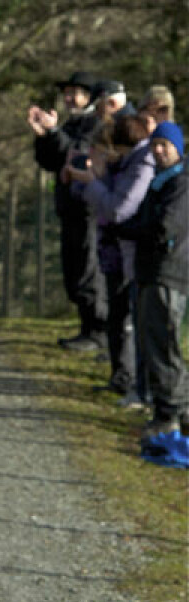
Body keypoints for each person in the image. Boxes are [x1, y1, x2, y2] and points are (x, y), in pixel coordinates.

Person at [62, 114, 153, 397]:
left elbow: (116, 208)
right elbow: (89, 194)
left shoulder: (137, 165)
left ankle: (134, 381)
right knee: (117, 316)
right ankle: (121, 376)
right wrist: (82, 177)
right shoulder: (119, 166)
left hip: (129, 253)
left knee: (129, 320)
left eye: (101, 149)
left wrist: (92, 180)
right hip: (113, 252)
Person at [114, 122, 188, 456]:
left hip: (168, 275)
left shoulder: (181, 184)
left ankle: (170, 415)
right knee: (154, 344)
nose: (158, 151)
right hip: (150, 274)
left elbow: (162, 227)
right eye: (154, 145)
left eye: (165, 145)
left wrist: (132, 230)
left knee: (164, 347)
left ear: (178, 148)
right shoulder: (161, 183)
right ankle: (175, 411)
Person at [27, 70, 106, 351]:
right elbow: (52, 161)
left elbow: (78, 156)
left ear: (89, 97)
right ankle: (88, 328)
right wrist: (44, 136)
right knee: (73, 271)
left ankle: (97, 331)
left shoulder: (95, 124)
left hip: (88, 209)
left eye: (76, 93)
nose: (70, 98)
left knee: (88, 271)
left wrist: (54, 133)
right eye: (67, 93)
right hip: (69, 208)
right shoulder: (73, 125)